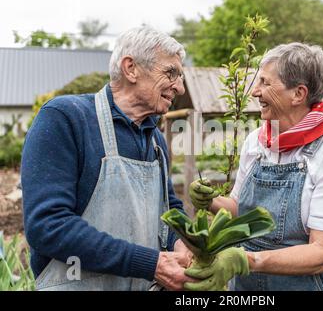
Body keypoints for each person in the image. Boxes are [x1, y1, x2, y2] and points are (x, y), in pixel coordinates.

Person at [21, 26, 194, 291]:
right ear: (131, 68)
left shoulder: (155, 140)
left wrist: (181, 242)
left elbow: (169, 209)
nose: (180, 87)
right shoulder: (66, 119)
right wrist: (151, 265)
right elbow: (48, 226)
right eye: (171, 73)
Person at [186, 42, 323, 291]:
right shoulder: (256, 142)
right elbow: (242, 210)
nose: (254, 92)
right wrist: (211, 201)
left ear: (298, 94)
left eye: (265, 83)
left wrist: (245, 259)